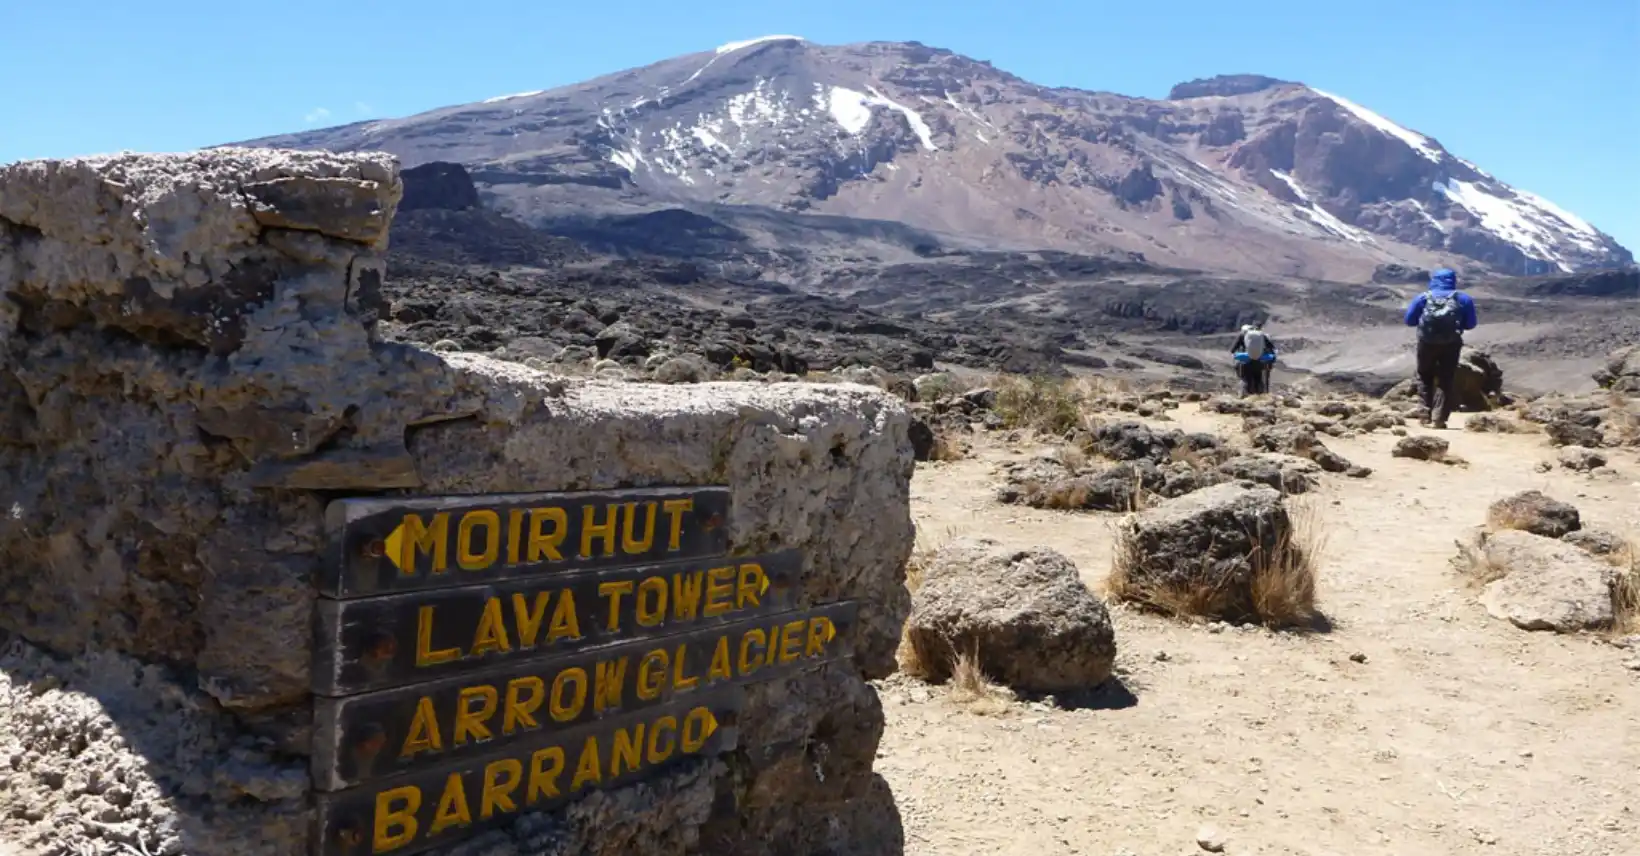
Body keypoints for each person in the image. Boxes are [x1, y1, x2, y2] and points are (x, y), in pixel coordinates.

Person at [1402, 268, 1478, 428]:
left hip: (1426, 342)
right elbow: (1471, 324)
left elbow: (1409, 320)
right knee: (1446, 378)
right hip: (1451, 344)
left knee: (1424, 376)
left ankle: (1424, 415)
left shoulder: (1423, 298)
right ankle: (1439, 418)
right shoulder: (1463, 299)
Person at [1230, 323, 1278, 396]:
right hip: (1259, 362)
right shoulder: (1262, 336)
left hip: (1245, 363)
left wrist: (1238, 356)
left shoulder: (1242, 335)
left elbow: (1233, 350)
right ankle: (1259, 396)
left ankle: (1245, 396)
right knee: (1258, 379)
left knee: (1245, 379)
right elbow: (1272, 347)